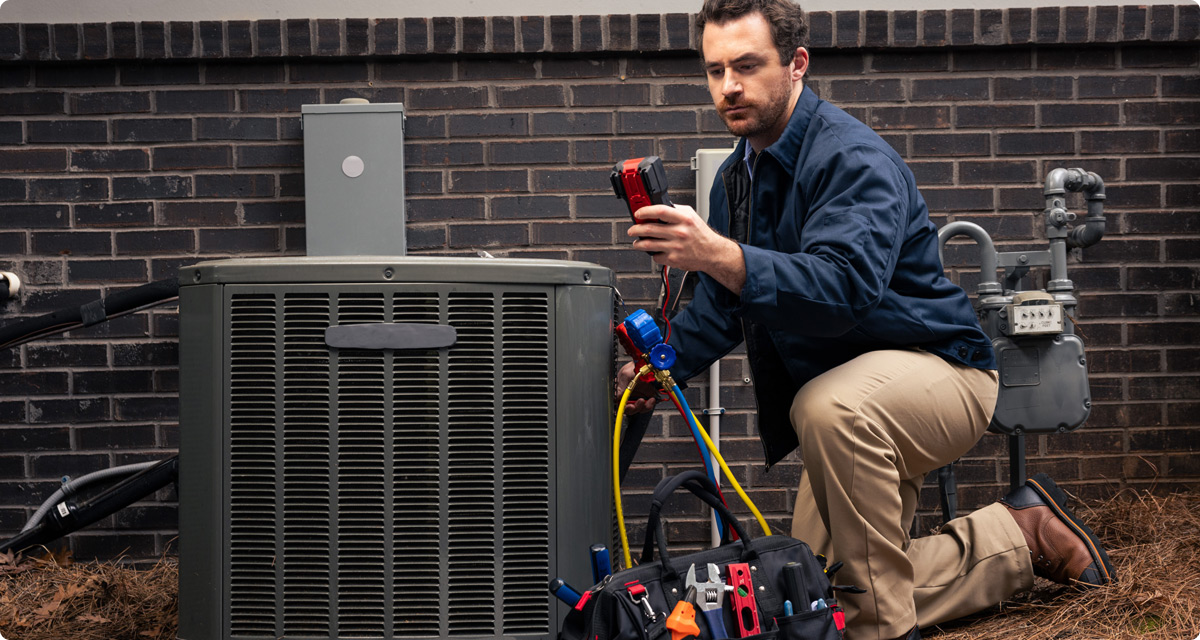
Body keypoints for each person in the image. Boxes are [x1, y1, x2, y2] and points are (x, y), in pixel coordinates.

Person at [615, 1, 1116, 638]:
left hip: (942, 375)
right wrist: (649, 373)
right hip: (851, 396)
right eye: (715, 70)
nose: (729, 86)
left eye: (747, 65)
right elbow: (721, 307)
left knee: (830, 416)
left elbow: (844, 287)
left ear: (797, 64)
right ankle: (1018, 537)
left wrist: (719, 252)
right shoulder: (738, 177)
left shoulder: (850, 158)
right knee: (810, 592)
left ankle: (885, 631)